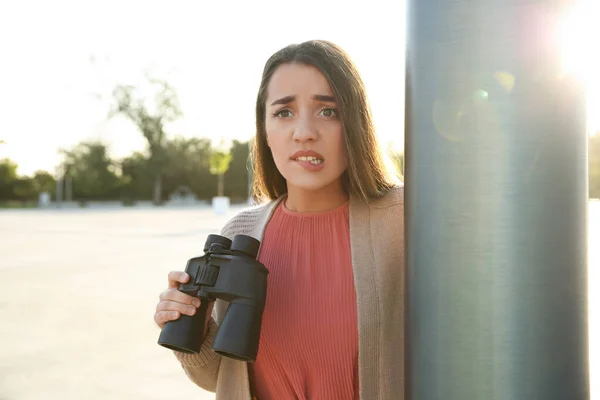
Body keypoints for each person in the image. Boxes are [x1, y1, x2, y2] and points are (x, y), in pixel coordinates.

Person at [154, 39, 405, 400]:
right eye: (284, 112)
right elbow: (228, 379)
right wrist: (188, 328)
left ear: (355, 123)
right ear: (266, 132)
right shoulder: (241, 233)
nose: (303, 132)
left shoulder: (401, 222)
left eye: (327, 111)